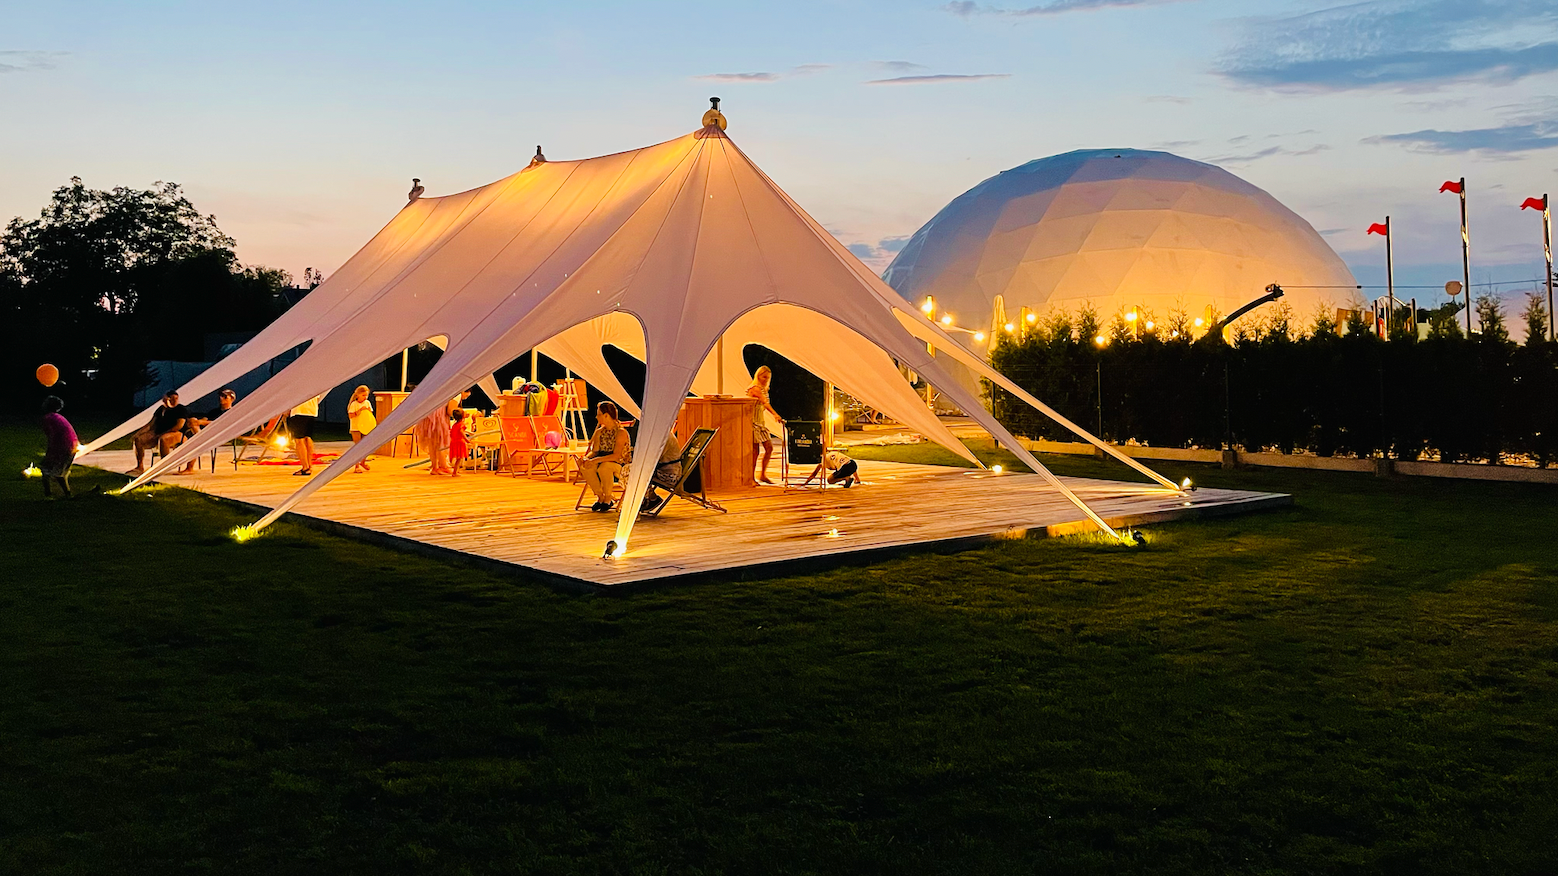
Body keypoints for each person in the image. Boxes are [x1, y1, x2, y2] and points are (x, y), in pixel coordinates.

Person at [579, 401, 632, 512]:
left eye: (599, 414)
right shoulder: (599, 432)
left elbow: (616, 456)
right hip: (602, 460)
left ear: (606, 415)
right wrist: (586, 458)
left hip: (620, 464)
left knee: (605, 467)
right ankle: (601, 497)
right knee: (585, 466)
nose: (596, 417)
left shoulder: (621, 432)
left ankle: (608, 498)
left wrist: (596, 460)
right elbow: (595, 451)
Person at [129, 391, 192, 475]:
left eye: (176, 399)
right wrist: (138, 433)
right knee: (139, 439)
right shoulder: (161, 409)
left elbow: (179, 425)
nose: (174, 401)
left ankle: (164, 465)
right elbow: (150, 424)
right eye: (172, 399)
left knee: (163, 439)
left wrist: (162, 433)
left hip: (176, 433)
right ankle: (140, 466)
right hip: (158, 432)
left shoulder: (180, 409)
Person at [746, 364, 784, 484]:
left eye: (767, 378)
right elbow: (764, 402)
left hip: (760, 422)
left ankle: (762, 474)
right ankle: (750, 477)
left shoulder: (764, 389)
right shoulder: (755, 388)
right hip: (753, 422)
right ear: (758, 376)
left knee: (769, 448)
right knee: (754, 451)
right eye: (763, 377)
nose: (765, 380)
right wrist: (775, 414)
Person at [40, 396, 79, 498]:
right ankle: (68, 494)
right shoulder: (60, 417)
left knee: (46, 470)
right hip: (72, 446)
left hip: (62, 447)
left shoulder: (47, 418)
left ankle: (48, 495)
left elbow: (53, 435)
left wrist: (50, 452)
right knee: (60, 472)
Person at [639, 428, 685, 514]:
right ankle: (649, 497)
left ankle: (647, 499)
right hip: (664, 470)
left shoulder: (664, 438)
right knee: (637, 471)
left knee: (636, 473)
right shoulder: (662, 434)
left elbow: (652, 459)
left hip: (669, 475)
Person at [288, 392, 325, 476]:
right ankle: (309, 466)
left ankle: (305, 467)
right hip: (312, 411)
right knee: (307, 437)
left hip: (299, 411)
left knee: (299, 440)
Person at [414, 397, 454, 475]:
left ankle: (435, 466)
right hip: (438, 416)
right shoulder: (456, 395)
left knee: (432, 442)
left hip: (429, 413)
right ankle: (443, 466)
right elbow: (450, 411)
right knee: (440, 442)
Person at [346, 385, 377, 473]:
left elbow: (369, 414)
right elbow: (351, 415)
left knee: (366, 446)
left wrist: (367, 411)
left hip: (365, 426)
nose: (365, 397)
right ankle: (357, 466)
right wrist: (359, 411)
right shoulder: (354, 404)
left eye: (366, 395)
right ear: (358, 395)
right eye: (363, 395)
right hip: (356, 427)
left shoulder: (367, 403)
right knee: (358, 447)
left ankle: (363, 461)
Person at [448, 408, 470, 476]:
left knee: (457, 458)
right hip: (460, 442)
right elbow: (461, 432)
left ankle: (456, 470)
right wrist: (467, 440)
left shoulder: (455, 425)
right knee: (459, 458)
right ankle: (455, 472)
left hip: (454, 441)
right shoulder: (461, 424)